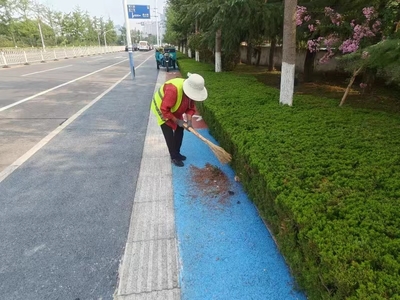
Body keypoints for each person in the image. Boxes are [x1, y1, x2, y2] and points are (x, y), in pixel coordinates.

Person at [151, 73, 208, 167]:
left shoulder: (190, 93)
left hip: (173, 108)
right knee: (168, 131)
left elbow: (190, 108)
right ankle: (173, 156)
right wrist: (177, 121)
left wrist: (189, 122)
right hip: (161, 107)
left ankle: (177, 153)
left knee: (179, 129)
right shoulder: (173, 90)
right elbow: (164, 109)